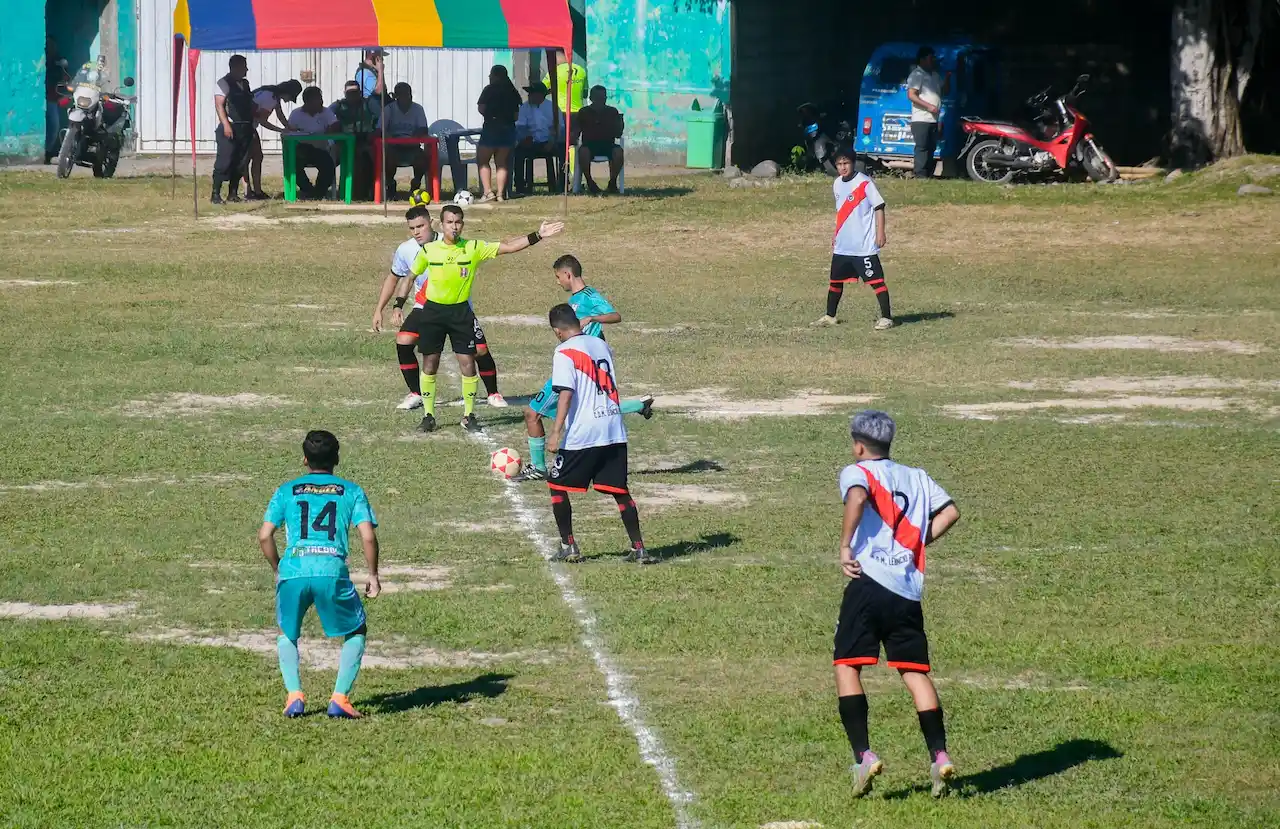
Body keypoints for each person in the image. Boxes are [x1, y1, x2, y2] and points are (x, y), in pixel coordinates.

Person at [832, 410, 961, 798]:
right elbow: (951, 512)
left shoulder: (857, 473)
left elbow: (857, 497)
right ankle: (939, 756)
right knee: (915, 672)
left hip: (868, 584)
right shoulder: (918, 477)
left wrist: (844, 545)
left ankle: (863, 756)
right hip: (907, 591)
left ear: (858, 444)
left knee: (847, 665)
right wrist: (919, 543)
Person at [404, 206, 564, 433]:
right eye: (450, 222)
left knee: (468, 364)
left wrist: (537, 235)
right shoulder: (429, 251)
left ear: (462, 224)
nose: (454, 226)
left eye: (458, 222)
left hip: (460, 314)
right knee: (430, 363)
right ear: (441, 224)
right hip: (433, 313)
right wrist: (398, 304)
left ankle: (469, 416)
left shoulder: (473, 248)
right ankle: (428, 415)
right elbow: (410, 276)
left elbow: (508, 247)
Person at [258, 430, 381, 720]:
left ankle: (294, 696)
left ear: (304, 459)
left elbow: (265, 536)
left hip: (294, 571)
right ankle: (339, 698)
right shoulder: (351, 491)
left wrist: (279, 569)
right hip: (331, 571)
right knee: (356, 630)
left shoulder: (287, 490)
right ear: (337, 459)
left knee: (287, 633)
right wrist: (372, 575)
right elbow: (368, 537)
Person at [511, 254, 654, 483]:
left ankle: (538, 467)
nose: (558, 282)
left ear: (568, 274)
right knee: (593, 408)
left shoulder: (589, 296)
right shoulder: (573, 301)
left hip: (577, 365)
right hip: (578, 365)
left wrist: (591, 318)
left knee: (532, 413)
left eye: (558, 277)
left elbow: (616, 315)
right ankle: (639, 405)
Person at [544, 304, 652, 565]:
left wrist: (556, 432)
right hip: (613, 428)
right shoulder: (599, 344)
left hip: (585, 432)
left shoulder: (564, 352)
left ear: (558, 331)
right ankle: (639, 549)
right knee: (619, 490)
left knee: (556, 484)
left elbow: (566, 394)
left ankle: (568, 546)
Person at [372, 205, 508, 409]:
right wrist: (381, 309)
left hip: (457, 307)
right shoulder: (406, 249)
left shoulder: (447, 240)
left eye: (421, 226)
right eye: (412, 228)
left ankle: (493, 393)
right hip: (425, 307)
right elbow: (396, 279)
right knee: (403, 341)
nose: (417, 232)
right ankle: (416, 393)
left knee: (479, 351)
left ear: (433, 223)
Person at [814, 148, 894, 331]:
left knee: (876, 281)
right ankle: (830, 315)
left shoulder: (865, 183)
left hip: (863, 246)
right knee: (835, 281)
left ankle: (887, 317)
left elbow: (879, 207)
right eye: (839, 164)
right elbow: (841, 212)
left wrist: (880, 232)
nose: (843, 167)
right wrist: (836, 235)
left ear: (853, 163)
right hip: (843, 245)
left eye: (846, 163)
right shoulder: (836, 184)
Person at [244, 79, 303, 200]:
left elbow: (280, 115)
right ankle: (251, 192)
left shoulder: (271, 94)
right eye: (291, 97)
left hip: (247, 126)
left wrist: (290, 128)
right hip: (245, 127)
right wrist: (281, 130)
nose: (288, 101)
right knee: (250, 158)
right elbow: (262, 121)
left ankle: (253, 191)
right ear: (287, 92)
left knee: (255, 157)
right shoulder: (270, 98)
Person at [475, 65, 522, 203]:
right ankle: (501, 194)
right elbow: (516, 116)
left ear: (495, 75)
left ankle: (488, 192)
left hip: (491, 127)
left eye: (491, 75)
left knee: (483, 161)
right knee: (501, 163)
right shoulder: (512, 91)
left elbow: (481, 108)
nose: (489, 77)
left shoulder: (489, 90)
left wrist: (490, 115)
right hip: (508, 129)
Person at [212, 55, 255, 204]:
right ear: (235, 67)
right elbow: (219, 105)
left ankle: (233, 193)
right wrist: (226, 124)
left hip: (245, 126)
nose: (246, 69)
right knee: (224, 161)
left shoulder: (245, 83)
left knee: (240, 162)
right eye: (244, 66)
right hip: (230, 126)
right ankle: (215, 194)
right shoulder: (223, 83)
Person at [285, 87, 339, 199]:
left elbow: (335, 125)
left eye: (320, 98)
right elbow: (289, 132)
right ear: (307, 101)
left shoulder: (326, 112)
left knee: (328, 165)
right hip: (301, 148)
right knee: (293, 164)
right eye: (317, 99)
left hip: (320, 149)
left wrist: (331, 128)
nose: (320, 102)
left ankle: (319, 193)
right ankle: (307, 190)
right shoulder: (296, 114)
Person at [379, 82, 431, 198]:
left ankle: (416, 183)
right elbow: (380, 130)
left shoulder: (418, 109)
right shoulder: (388, 110)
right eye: (401, 95)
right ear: (396, 96)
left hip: (412, 147)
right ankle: (390, 184)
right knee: (387, 159)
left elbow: (423, 129)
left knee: (423, 159)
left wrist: (416, 136)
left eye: (407, 94)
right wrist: (388, 136)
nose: (405, 98)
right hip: (393, 147)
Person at [330, 80, 380, 199]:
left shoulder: (369, 104)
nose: (352, 96)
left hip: (365, 140)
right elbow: (326, 116)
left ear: (360, 92)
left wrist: (375, 132)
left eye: (355, 92)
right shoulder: (338, 105)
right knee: (330, 157)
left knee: (372, 157)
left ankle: (372, 190)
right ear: (345, 93)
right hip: (344, 142)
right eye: (350, 93)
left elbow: (382, 117)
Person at [906, 47, 950, 179]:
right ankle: (920, 175)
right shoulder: (917, 74)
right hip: (921, 118)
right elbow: (912, 95)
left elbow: (944, 92)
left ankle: (929, 174)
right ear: (923, 59)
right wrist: (928, 106)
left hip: (934, 119)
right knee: (922, 147)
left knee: (931, 147)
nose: (933, 61)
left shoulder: (935, 75)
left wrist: (948, 78)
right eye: (931, 58)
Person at [573, 86, 624, 195]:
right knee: (583, 152)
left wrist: (620, 124)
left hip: (608, 144)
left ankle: (613, 182)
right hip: (590, 145)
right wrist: (572, 136)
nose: (601, 100)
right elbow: (576, 131)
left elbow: (618, 134)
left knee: (618, 152)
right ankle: (590, 182)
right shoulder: (583, 112)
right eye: (598, 97)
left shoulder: (612, 111)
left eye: (603, 97)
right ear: (591, 98)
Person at [514, 81, 559, 194]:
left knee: (563, 152)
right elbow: (520, 126)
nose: (529, 96)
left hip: (549, 141)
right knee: (518, 153)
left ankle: (561, 184)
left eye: (532, 94)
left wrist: (552, 141)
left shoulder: (552, 107)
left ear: (540, 95)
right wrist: (525, 138)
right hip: (531, 141)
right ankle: (520, 186)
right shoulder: (524, 107)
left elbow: (559, 127)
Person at [45, 37, 68, 164]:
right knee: (52, 124)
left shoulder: (59, 61)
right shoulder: (44, 60)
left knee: (54, 125)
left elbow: (65, 77)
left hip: (53, 97)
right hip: (45, 97)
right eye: (48, 45)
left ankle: (48, 152)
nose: (51, 47)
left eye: (52, 45)